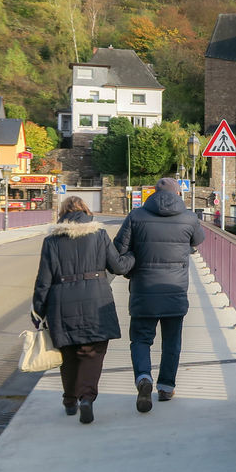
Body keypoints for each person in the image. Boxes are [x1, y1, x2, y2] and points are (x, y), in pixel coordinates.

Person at [32, 196, 134, 424]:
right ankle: (86, 398)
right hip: (95, 302)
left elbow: (43, 280)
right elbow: (117, 266)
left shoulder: (51, 240)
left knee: (68, 354)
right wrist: (132, 257)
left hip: (61, 303)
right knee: (92, 351)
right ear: (86, 211)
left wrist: (38, 310)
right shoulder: (98, 235)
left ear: (63, 214)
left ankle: (69, 401)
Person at [114, 177, 204, 413]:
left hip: (143, 290)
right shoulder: (189, 217)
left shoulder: (136, 216)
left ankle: (143, 378)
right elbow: (198, 241)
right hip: (175, 290)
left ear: (153, 193)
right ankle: (166, 387)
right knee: (172, 341)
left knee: (141, 339)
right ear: (178, 194)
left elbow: (119, 250)